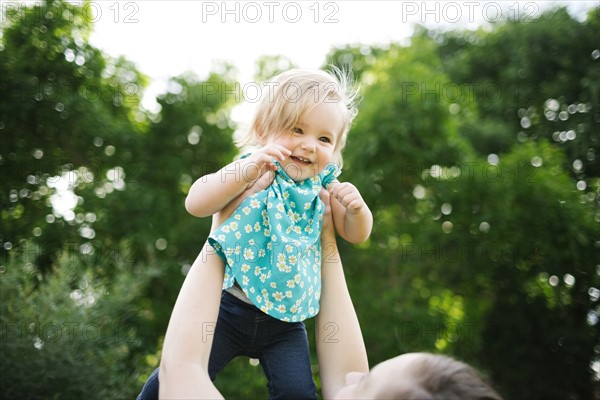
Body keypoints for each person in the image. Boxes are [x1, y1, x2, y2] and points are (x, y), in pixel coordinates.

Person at [138, 68, 373, 399]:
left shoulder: (323, 188)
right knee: (174, 378)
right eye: (297, 129)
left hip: (288, 321)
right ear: (265, 130)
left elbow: (354, 234)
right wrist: (243, 173)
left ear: (334, 150)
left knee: (298, 392)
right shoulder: (253, 168)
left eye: (324, 139)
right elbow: (197, 202)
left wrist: (357, 211)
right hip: (230, 306)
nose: (309, 145)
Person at [140, 186, 502, 399]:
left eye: (366, 385)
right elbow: (347, 369)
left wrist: (223, 232)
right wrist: (325, 238)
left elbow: (182, 371)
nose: (354, 375)